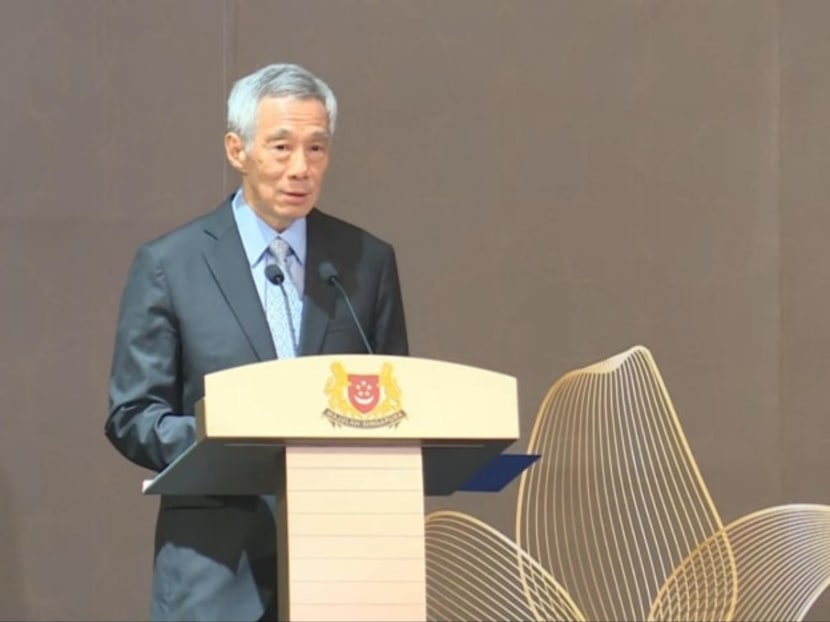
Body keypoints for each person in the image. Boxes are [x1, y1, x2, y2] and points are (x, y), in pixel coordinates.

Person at [105, 62, 409, 621]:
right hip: (215, 570)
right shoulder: (171, 265)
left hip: (343, 565)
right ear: (236, 149)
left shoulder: (366, 261)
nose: (301, 169)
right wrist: (228, 439)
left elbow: (397, 402)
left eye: (317, 149)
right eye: (281, 147)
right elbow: (133, 414)